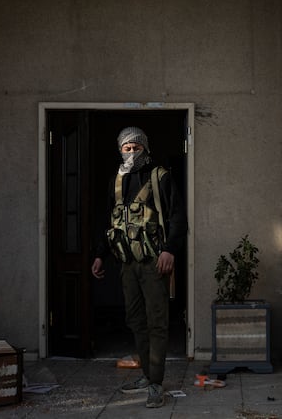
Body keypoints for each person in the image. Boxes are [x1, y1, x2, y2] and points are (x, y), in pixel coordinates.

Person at [91, 126, 187, 409]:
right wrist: (100, 255)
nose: (131, 153)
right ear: (120, 150)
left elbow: (178, 218)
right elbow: (112, 223)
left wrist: (169, 250)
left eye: (137, 148)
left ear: (146, 149)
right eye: (126, 148)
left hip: (153, 262)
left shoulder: (160, 177)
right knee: (135, 320)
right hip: (127, 264)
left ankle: (156, 383)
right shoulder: (117, 181)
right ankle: (147, 374)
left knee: (157, 322)